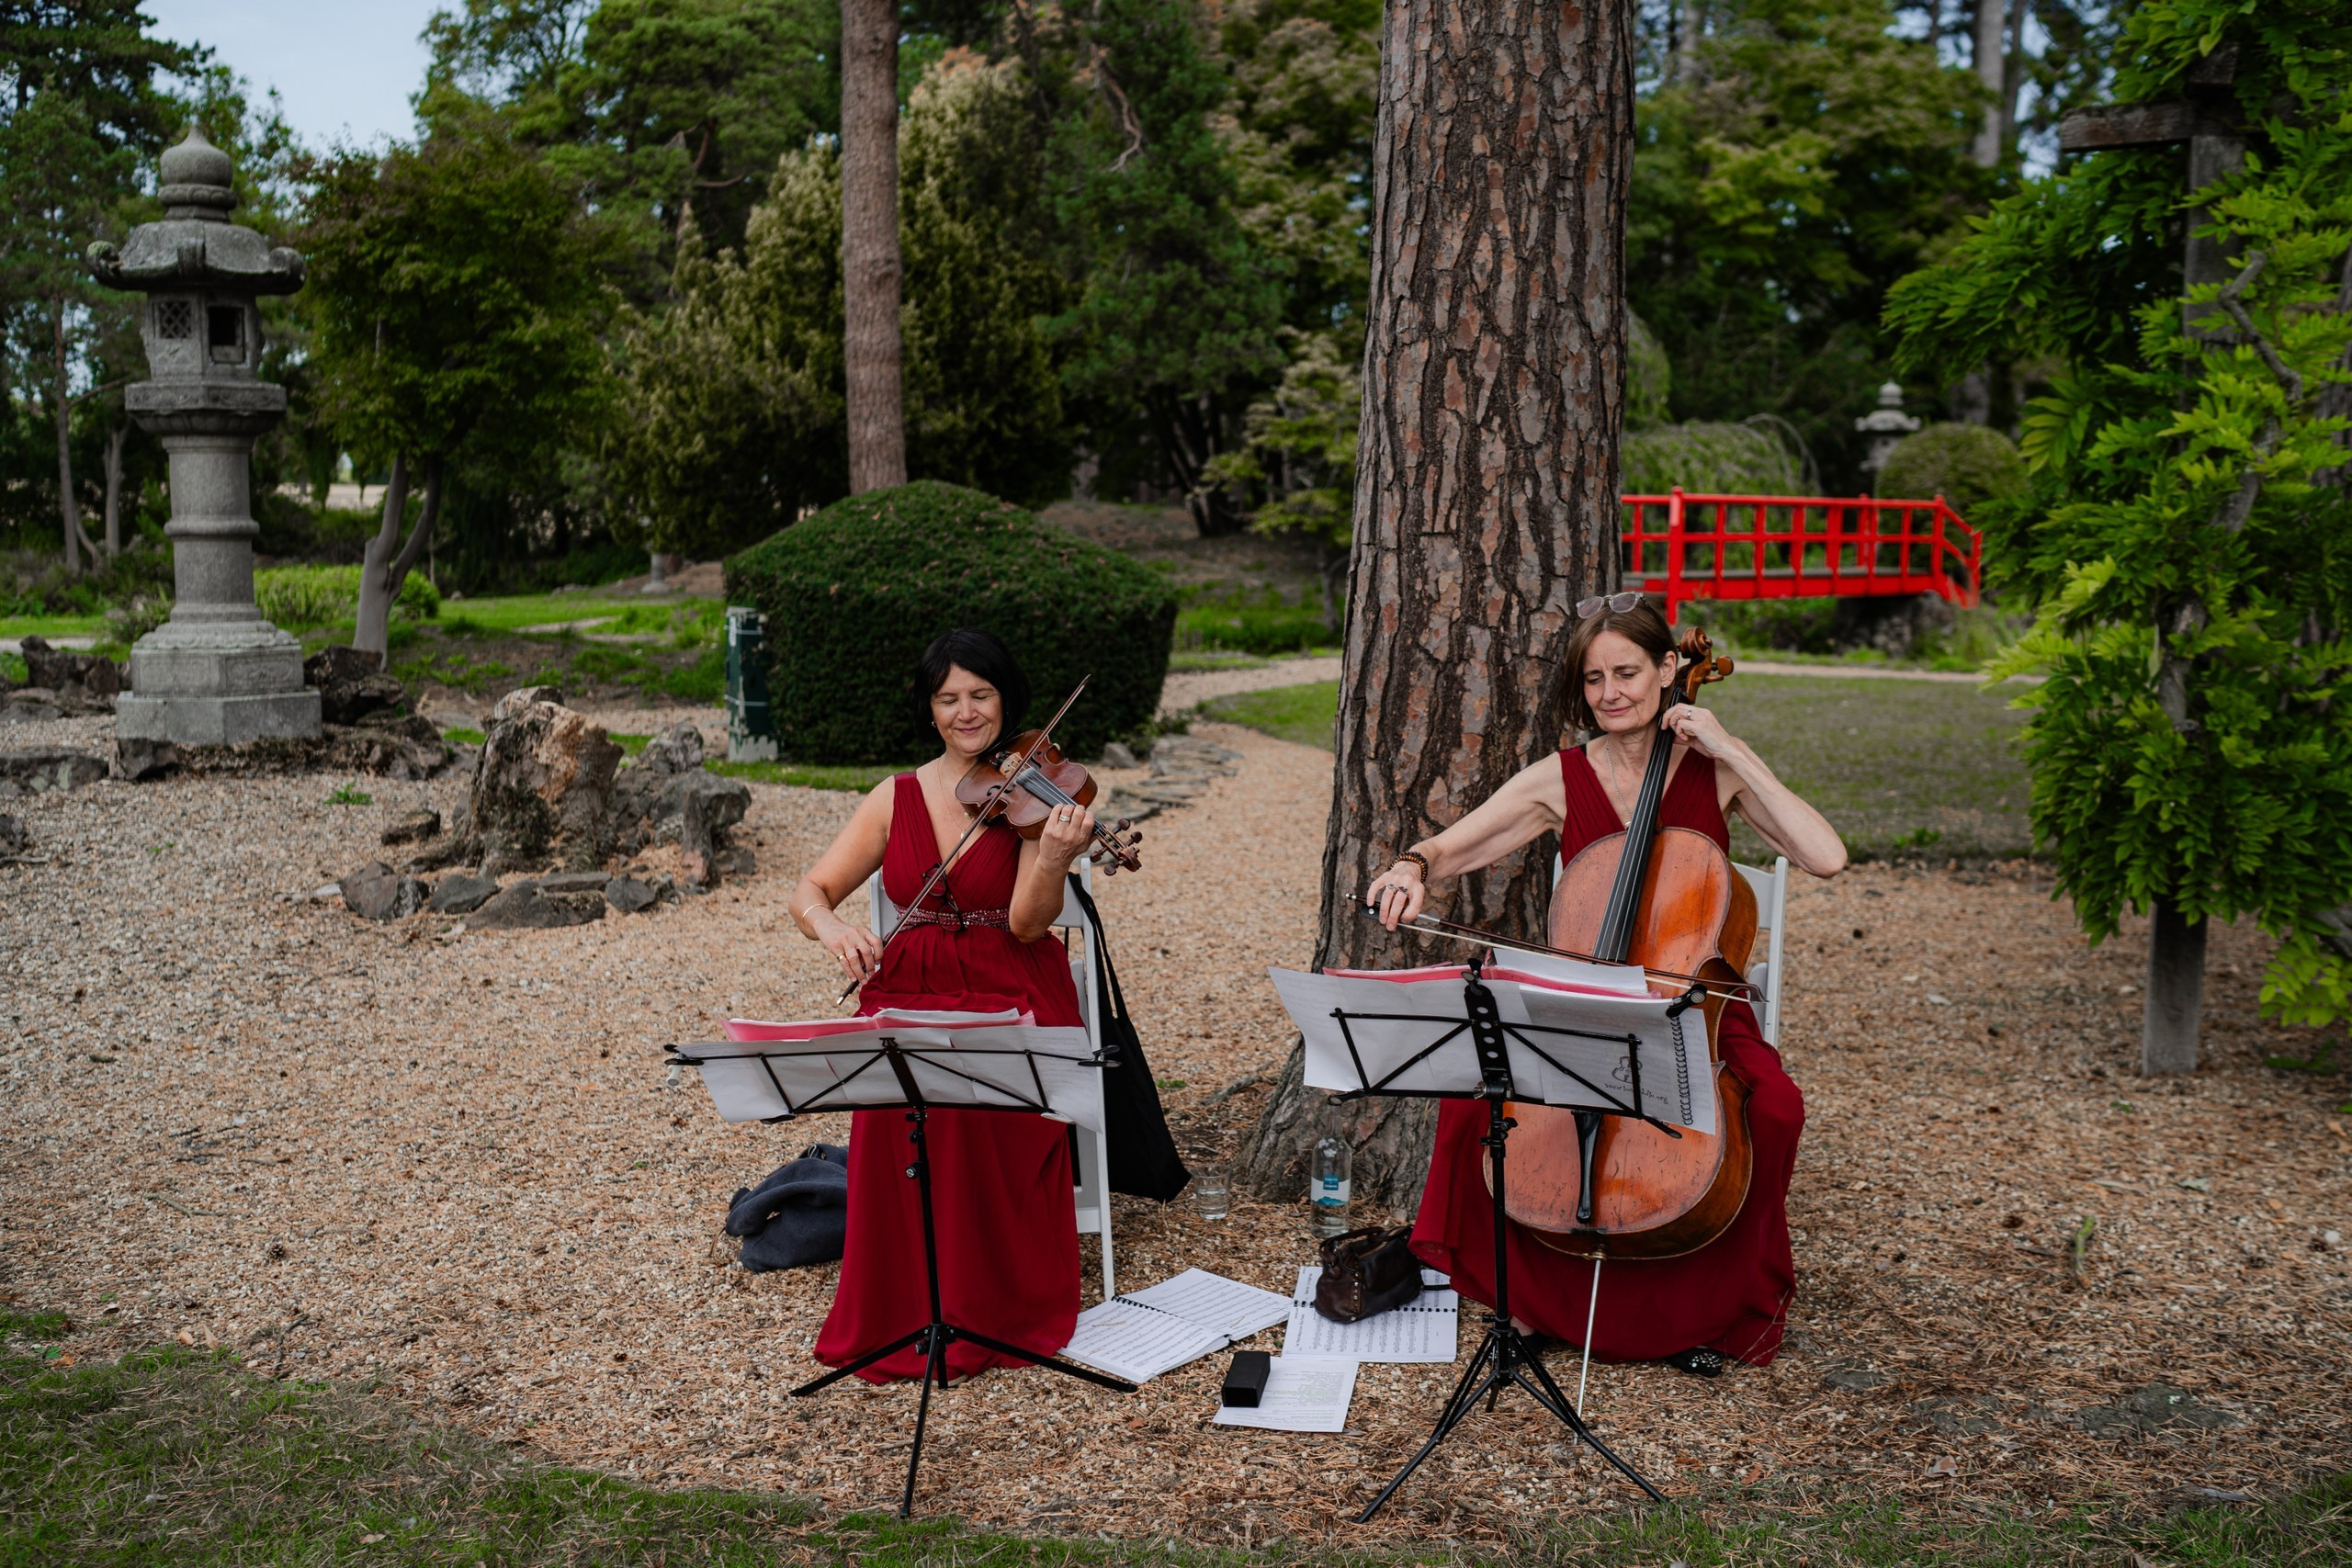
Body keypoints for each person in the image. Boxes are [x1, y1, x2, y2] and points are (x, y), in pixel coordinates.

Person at [1363, 592, 1846, 1374]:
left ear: (1668, 668)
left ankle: (1711, 1303)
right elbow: (1450, 847)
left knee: (1776, 1110)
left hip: (1695, 1010)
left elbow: (1826, 856)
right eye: (1594, 678)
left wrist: (1732, 747)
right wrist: (1410, 867)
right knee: (1473, 1096)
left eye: (1627, 672)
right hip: (1586, 1007)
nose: (1611, 692)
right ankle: (1533, 1294)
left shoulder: (1715, 769)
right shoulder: (1563, 777)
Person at [788, 627, 1101, 1382]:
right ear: (930, 709)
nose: (966, 712)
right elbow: (810, 891)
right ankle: (901, 1304)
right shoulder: (893, 796)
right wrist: (834, 930)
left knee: (970, 1108)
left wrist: (1054, 855)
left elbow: (1027, 923)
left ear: (1004, 700)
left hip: (1009, 981)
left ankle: (986, 1303)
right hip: (910, 986)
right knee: (893, 1100)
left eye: (980, 695)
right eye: (949, 698)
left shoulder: (1034, 793)